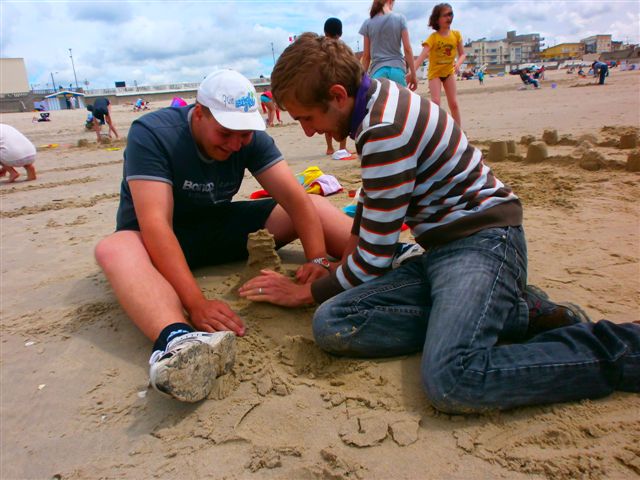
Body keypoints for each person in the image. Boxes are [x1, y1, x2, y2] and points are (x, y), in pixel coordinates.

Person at [239, 33, 640, 414]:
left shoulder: (383, 127)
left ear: (338, 96)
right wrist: (331, 267)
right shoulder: (375, 102)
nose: (308, 131)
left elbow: (374, 258)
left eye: (307, 118)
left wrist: (304, 294)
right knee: (334, 322)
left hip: (484, 243)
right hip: (443, 249)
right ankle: (513, 312)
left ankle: (621, 349)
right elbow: (371, 204)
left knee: (453, 378)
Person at [94, 70, 353, 403]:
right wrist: (196, 303)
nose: (234, 145)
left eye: (243, 136)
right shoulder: (153, 133)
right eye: (225, 134)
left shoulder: (247, 135)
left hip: (218, 228)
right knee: (114, 248)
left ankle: (387, 258)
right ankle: (178, 341)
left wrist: (317, 258)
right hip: (155, 243)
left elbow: (295, 199)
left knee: (315, 205)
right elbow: (156, 225)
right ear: (199, 113)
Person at [414, 3, 466, 126]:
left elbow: (463, 54)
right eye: (445, 15)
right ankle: (436, 130)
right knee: (436, 103)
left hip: (449, 73)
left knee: (453, 103)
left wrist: (458, 64)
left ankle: (458, 132)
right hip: (435, 74)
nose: (449, 18)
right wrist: (412, 72)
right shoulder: (433, 38)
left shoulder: (456, 35)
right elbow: (422, 56)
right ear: (437, 19)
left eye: (451, 14)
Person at [359, 0, 418, 91]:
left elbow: (366, 56)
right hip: (397, 70)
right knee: (401, 104)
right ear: (390, 1)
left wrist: (361, 80)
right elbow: (407, 49)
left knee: (379, 104)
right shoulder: (400, 18)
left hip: (378, 72)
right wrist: (413, 74)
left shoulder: (368, 23)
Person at [323, 17, 349, 155]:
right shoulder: (343, 48)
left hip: (326, 86)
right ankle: (342, 147)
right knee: (342, 118)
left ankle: (329, 147)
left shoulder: (321, 47)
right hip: (341, 86)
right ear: (340, 33)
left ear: (325, 32)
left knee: (327, 118)